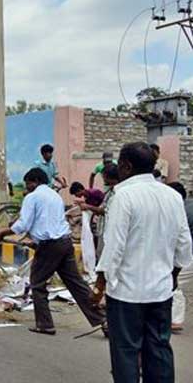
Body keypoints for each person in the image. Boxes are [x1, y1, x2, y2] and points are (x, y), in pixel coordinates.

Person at [92, 142, 192, 383]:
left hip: (127, 294)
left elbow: (113, 247)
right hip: (160, 292)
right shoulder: (172, 196)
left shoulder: (122, 196)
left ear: (126, 166)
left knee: (126, 353)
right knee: (159, 351)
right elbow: (184, 245)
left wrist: (99, 287)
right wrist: (173, 275)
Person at [0, 168, 105, 336]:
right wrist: (34, 241)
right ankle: (102, 319)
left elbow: (23, 224)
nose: (27, 187)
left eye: (28, 184)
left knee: (37, 283)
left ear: (35, 181)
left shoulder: (32, 197)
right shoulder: (55, 196)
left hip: (50, 246)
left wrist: (2, 233)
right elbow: (45, 223)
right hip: (64, 243)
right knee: (76, 283)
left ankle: (45, 324)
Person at [167, 182, 193, 332]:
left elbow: (182, 240)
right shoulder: (188, 205)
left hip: (189, 255)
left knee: (175, 283)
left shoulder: (177, 210)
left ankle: (175, 320)